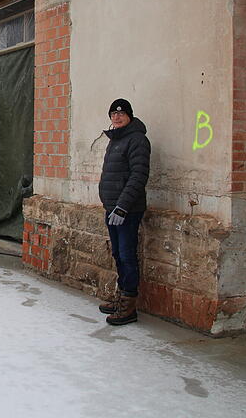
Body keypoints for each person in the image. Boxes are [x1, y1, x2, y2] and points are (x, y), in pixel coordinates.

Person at [98, 98, 151, 325]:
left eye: (121, 113)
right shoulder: (115, 140)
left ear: (129, 115)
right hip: (112, 208)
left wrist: (122, 207)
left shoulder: (138, 140)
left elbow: (138, 176)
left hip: (127, 210)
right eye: (113, 114)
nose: (116, 117)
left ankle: (129, 306)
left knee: (128, 255)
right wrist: (111, 205)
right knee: (118, 254)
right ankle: (121, 295)